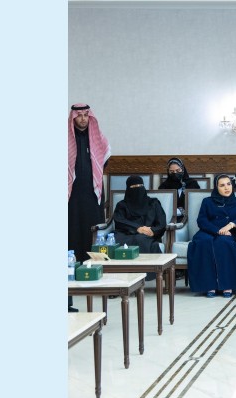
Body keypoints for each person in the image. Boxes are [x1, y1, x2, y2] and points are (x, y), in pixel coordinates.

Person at [188, 174, 236, 298]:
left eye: (228, 184)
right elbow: (201, 220)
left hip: (227, 233)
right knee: (203, 243)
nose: (226, 188)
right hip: (208, 231)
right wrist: (217, 230)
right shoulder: (207, 201)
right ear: (216, 187)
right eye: (222, 185)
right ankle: (209, 285)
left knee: (223, 243)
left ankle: (227, 284)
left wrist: (231, 224)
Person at [67, 104, 111, 266]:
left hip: (93, 192)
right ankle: (72, 266)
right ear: (73, 117)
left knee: (93, 228)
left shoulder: (97, 137)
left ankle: (95, 266)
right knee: (72, 227)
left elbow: (105, 159)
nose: (83, 119)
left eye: (86, 115)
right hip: (72, 193)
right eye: (79, 115)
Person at [111, 176, 167, 281]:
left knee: (141, 239)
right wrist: (137, 228)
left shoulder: (153, 203)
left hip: (148, 234)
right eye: (134, 187)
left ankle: (141, 276)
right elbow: (119, 220)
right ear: (128, 189)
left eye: (140, 186)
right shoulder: (122, 205)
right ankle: (120, 277)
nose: (138, 189)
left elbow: (162, 222)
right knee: (116, 241)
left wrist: (153, 231)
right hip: (126, 233)